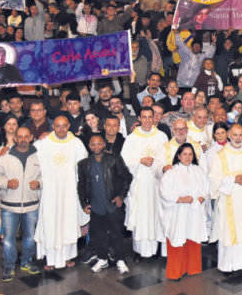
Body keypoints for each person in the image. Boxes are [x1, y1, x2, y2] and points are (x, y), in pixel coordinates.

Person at [34, 115, 88, 270]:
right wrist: (6, 148)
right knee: (50, 223)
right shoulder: (43, 143)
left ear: (69, 126)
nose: (61, 129)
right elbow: (29, 154)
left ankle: (67, 257)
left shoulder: (76, 144)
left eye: (64, 126)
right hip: (50, 192)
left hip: (69, 192)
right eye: (58, 126)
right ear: (53, 126)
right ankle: (50, 259)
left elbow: (83, 168)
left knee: (68, 223)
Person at [0, 126, 42, 280]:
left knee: (30, 237)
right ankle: (9, 265)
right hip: (9, 207)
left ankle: (26, 261)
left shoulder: (39, 157)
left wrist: (39, 183)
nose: (23, 139)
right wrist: (6, 183)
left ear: (31, 137)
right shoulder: (5, 156)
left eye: (26, 136)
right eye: (20, 136)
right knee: (9, 238)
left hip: (31, 206)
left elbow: (47, 177)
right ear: (15, 138)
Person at [208, 123, 242, 273]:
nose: (238, 138)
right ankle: (227, 265)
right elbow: (214, 178)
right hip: (228, 198)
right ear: (229, 135)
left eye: (241, 135)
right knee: (229, 231)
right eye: (235, 135)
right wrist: (233, 180)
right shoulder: (221, 155)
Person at [77, 134, 131, 275]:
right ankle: (102, 259)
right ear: (89, 146)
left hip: (113, 205)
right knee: (98, 235)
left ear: (104, 144)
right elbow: (81, 186)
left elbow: (127, 177)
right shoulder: (83, 164)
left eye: (99, 143)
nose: (96, 147)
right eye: (93, 144)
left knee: (117, 234)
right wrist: (84, 203)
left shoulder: (114, 159)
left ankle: (120, 260)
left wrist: (121, 196)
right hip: (96, 206)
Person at [121, 106, 168, 259]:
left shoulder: (161, 137)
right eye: (144, 117)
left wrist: (157, 164)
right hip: (139, 184)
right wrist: (139, 161)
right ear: (139, 119)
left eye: (150, 117)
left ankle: (154, 249)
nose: (147, 120)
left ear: (154, 118)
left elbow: (166, 159)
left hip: (155, 183)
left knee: (155, 215)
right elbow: (124, 162)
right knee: (141, 215)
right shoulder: (131, 138)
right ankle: (139, 250)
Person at [160, 142, 208, 281]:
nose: (187, 157)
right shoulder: (171, 172)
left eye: (190, 154)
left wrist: (201, 197)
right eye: (184, 154)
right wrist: (179, 199)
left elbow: (206, 188)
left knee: (193, 237)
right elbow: (164, 192)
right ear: (178, 156)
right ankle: (175, 271)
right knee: (178, 238)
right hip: (178, 212)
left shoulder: (198, 171)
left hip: (194, 211)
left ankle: (193, 268)